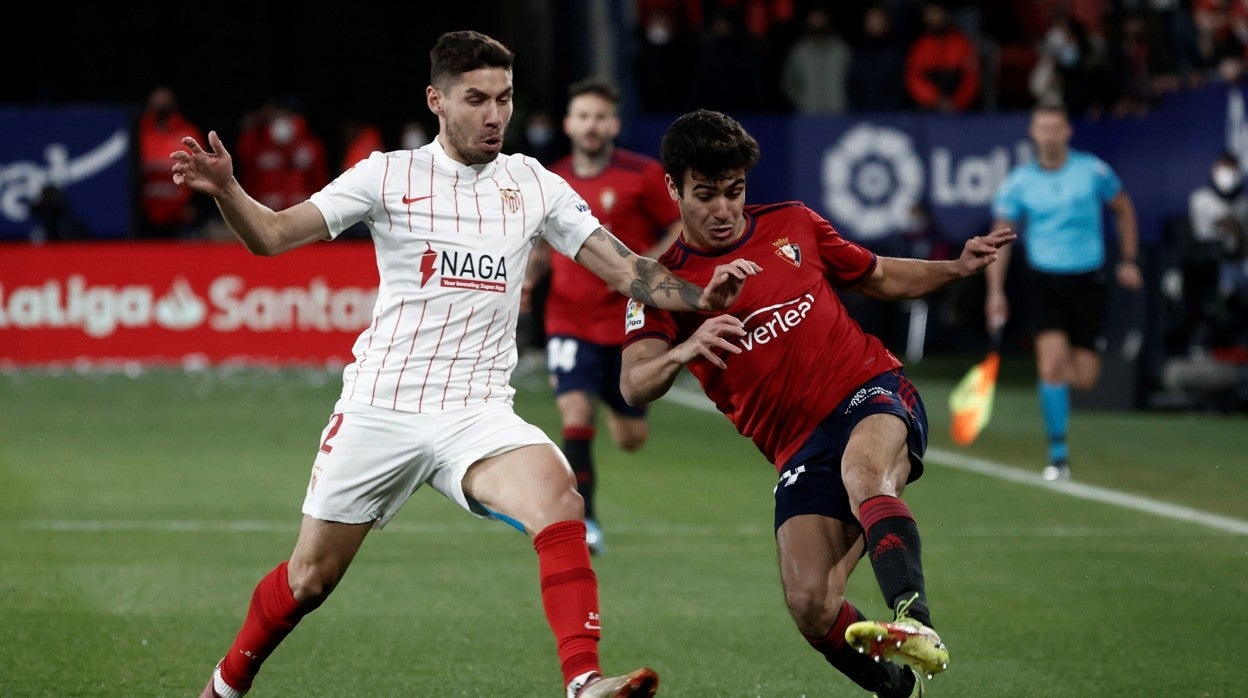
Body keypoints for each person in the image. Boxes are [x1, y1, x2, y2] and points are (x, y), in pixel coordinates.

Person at [171, 31, 758, 698]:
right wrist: (227, 191)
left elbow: (624, 267)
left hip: (477, 414)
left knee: (559, 496)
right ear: (437, 101)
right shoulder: (386, 175)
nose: (494, 115)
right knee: (310, 579)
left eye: (504, 98)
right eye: (476, 99)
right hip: (382, 408)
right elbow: (272, 236)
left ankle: (584, 680)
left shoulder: (533, 184)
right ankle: (222, 686)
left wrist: (697, 297)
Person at [619, 109, 1015, 698]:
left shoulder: (793, 224)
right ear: (673, 188)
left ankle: (916, 622)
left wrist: (956, 268)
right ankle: (898, 687)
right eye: (705, 195)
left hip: (869, 390)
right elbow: (633, 384)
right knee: (809, 601)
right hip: (797, 446)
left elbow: (878, 274)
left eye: (734, 192)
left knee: (865, 475)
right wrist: (686, 349)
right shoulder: (661, 284)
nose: (724, 210)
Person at [521, 78, 682, 556]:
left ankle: (622, 414)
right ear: (569, 124)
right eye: (583, 116)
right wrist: (528, 278)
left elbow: (680, 225)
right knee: (575, 413)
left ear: (613, 123)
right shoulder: (550, 180)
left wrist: (644, 269)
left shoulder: (643, 175)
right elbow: (540, 242)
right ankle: (585, 520)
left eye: (600, 117)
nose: (591, 125)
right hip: (569, 318)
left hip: (629, 323)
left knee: (631, 437)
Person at [987, 104, 1142, 481]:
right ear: (1033, 132)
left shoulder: (1092, 171)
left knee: (1085, 378)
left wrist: (1129, 259)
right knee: (1051, 364)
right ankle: (1058, 453)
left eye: (1057, 127)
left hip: (1089, 281)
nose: (1050, 134)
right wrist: (995, 291)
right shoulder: (1020, 181)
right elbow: (1000, 238)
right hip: (1043, 281)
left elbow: (1123, 208)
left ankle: (1059, 408)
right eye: (1043, 127)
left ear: (1068, 132)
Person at [137, 85, 205, 238]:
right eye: (156, 102)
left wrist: (194, 206)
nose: (160, 106)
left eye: (164, 102)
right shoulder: (138, 133)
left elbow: (203, 173)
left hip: (180, 219)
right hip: (144, 217)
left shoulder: (188, 134)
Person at [903, 1, 981, 113]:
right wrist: (935, 99)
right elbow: (913, 78)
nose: (933, 17)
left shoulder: (962, 44)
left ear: (945, 14)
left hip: (960, 111)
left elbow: (971, 78)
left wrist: (957, 102)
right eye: (930, 14)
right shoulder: (920, 46)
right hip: (927, 110)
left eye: (937, 13)